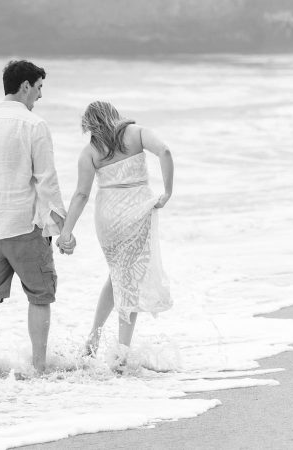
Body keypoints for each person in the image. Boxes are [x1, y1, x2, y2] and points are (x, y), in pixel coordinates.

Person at [0, 60, 69, 375]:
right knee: (40, 296)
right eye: (38, 88)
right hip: (25, 229)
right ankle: (39, 368)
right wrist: (62, 228)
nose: (39, 96)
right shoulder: (34, 125)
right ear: (25, 86)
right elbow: (47, 181)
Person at [58, 101, 174, 371]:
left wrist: (66, 231)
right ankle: (121, 355)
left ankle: (93, 340)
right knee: (128, 280)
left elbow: (81, 195)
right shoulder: (137, 133)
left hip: (108, 216)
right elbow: (165, 151)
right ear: (114, 115)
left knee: (118, 274)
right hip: (137, 212)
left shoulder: (89, 152)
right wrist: (167, 192)